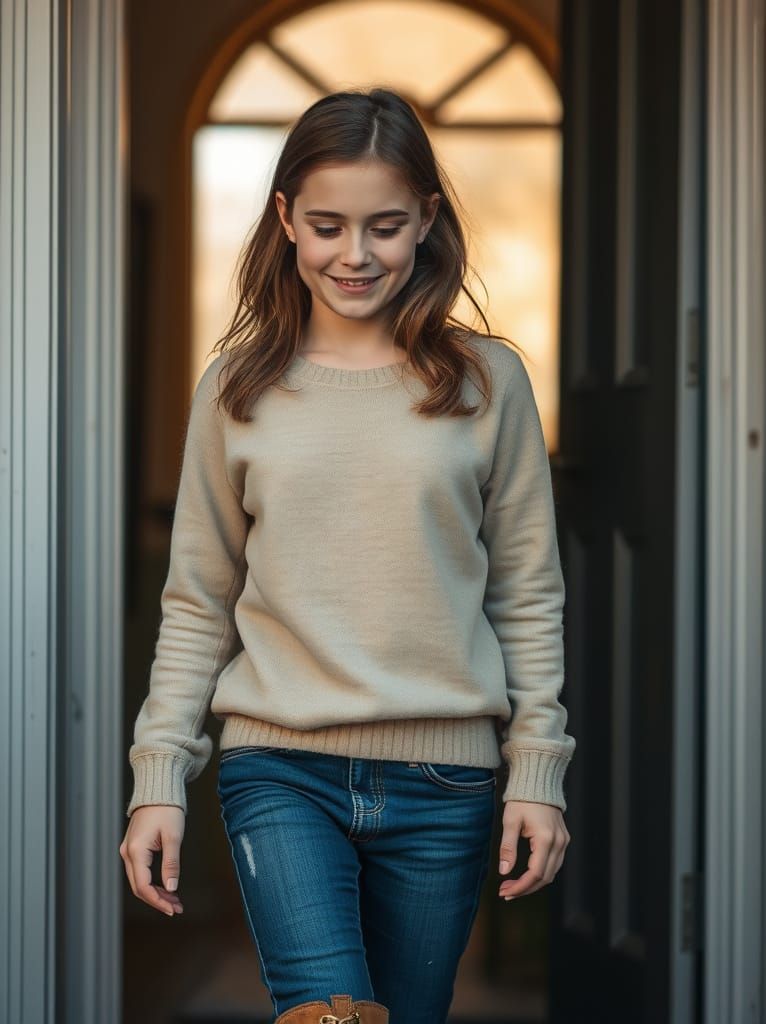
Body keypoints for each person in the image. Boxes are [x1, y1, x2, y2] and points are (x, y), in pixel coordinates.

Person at [119, 87, 576, 1024]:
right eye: (327, 225)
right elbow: (199, 598)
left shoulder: (489, 382)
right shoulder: (237, 388)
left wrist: (538, 773)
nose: (356, 255)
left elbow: (528, 593)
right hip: (278, 767)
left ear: (428, 222)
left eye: (386, 226)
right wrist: (158, 776)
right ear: (285, 217)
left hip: (445, 781)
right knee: (327, 1017)